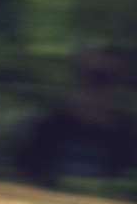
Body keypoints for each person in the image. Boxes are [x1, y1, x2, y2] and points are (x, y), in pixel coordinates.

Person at [16, 50, 137, 189]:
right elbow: (23, 177)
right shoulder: (47, 127)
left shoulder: (125, 136)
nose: (97, 88)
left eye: (107, 79)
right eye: (91, 77)